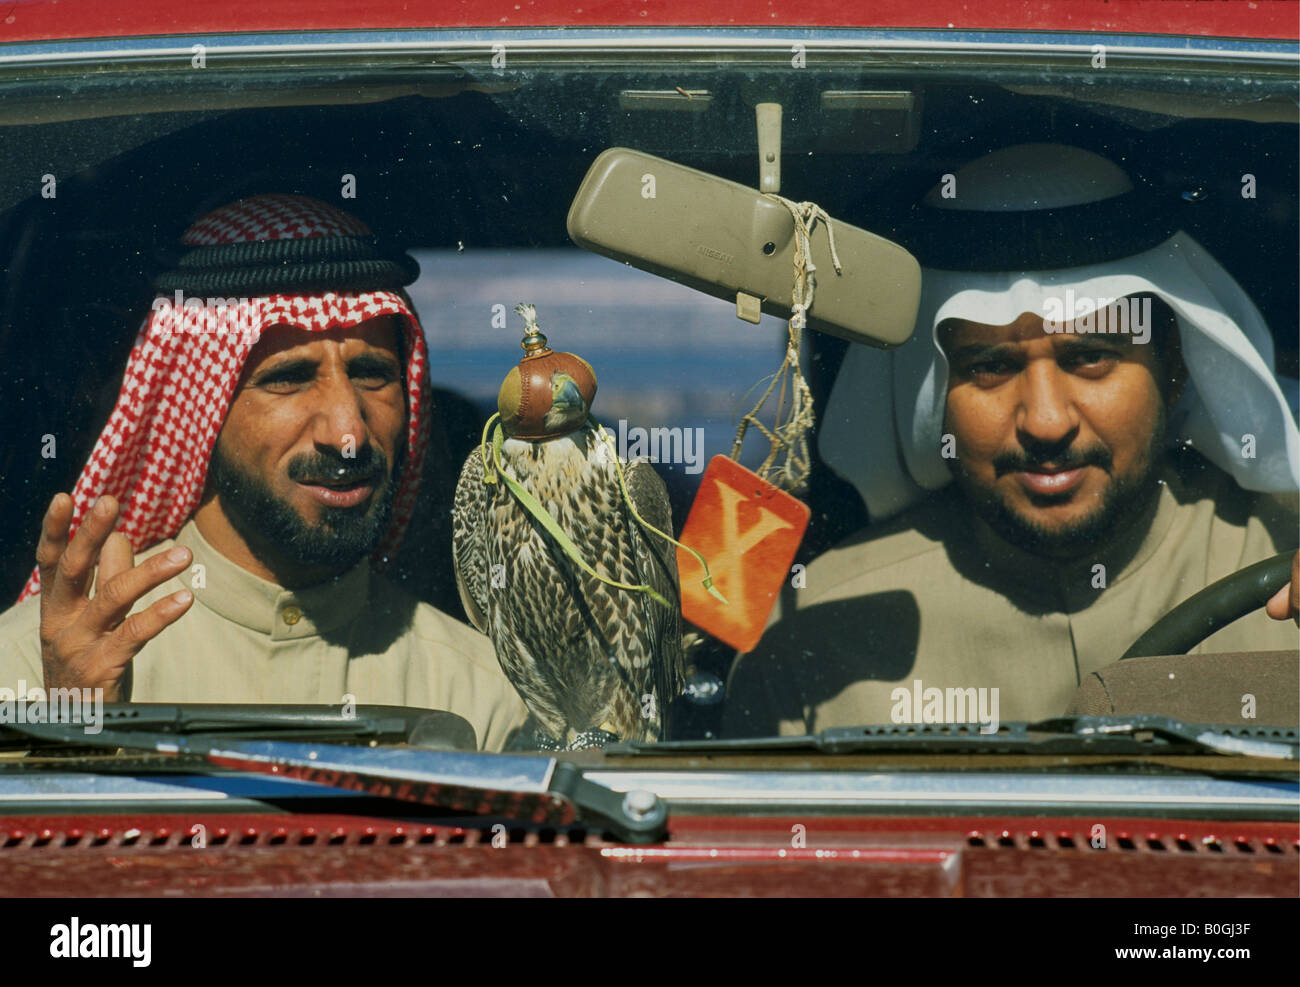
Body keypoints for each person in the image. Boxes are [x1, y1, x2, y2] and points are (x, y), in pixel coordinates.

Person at [724, 144, 1300, 738]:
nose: (1046, 423)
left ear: (1174, 368)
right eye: (990, 368)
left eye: (1091, 358)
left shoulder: (1282, 571)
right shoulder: (816, 638)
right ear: (931, 394)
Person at [0, 194, 529, 751]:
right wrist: (72, 737)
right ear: (198, 408)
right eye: (289, 379)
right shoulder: (32, 669)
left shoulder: (485, 697)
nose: (347, 431)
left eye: (373, 374)